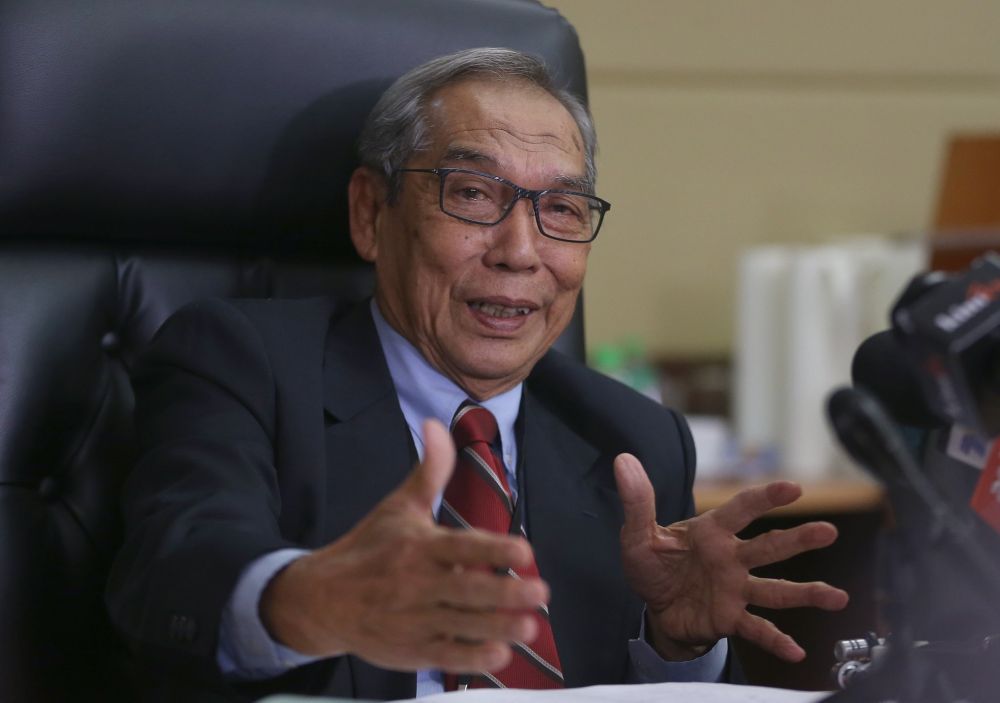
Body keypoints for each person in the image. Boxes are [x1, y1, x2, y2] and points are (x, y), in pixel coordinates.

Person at [107, 48, 848, 701]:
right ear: (371, 213)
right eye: (471, 193)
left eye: (560, 207)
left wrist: (675, 647)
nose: (520, 250)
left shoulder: (633, 437)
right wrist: (310, 601)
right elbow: (176, 567)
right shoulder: (244, 363)